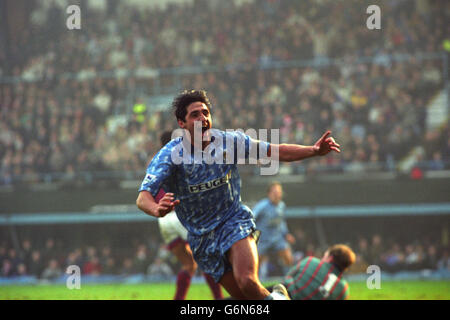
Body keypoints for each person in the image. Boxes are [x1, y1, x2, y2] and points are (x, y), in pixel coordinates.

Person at [136, 89, 340, 300]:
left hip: (233, 221)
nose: (202, 118)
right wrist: (156, 209)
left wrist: (313, 151)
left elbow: (275, 151)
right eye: (194, 115)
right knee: (245, 299)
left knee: (247, 281)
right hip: (201, 238)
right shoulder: (169, 155)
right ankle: (278, 297)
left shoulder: (229, 142)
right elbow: (143, 197)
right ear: (182, 123)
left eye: (205, 112)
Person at [156, 130, 223, 300]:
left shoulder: (158, 162)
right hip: (180, 215)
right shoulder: (182, 159)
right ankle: (219, 299)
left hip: (163, 220)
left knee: (189, 264)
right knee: (207, 260)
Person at [276, 244, 356, 300]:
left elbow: (287, 278)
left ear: (330, 258)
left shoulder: (311, 261)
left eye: (325, 255)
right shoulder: (344, 290)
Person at [253, 182, 295, 279]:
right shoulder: (262, 205)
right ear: (269, 193)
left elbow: (282, 222)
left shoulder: (282, 206)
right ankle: (254, 282)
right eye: (274, 192)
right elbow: (252, 217)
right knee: (256, 263)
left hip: (277, 238)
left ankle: (290, 280)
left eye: (279, 192)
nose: (277, 194)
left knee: (288, 259)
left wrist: (286, 234)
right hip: (263, 240)